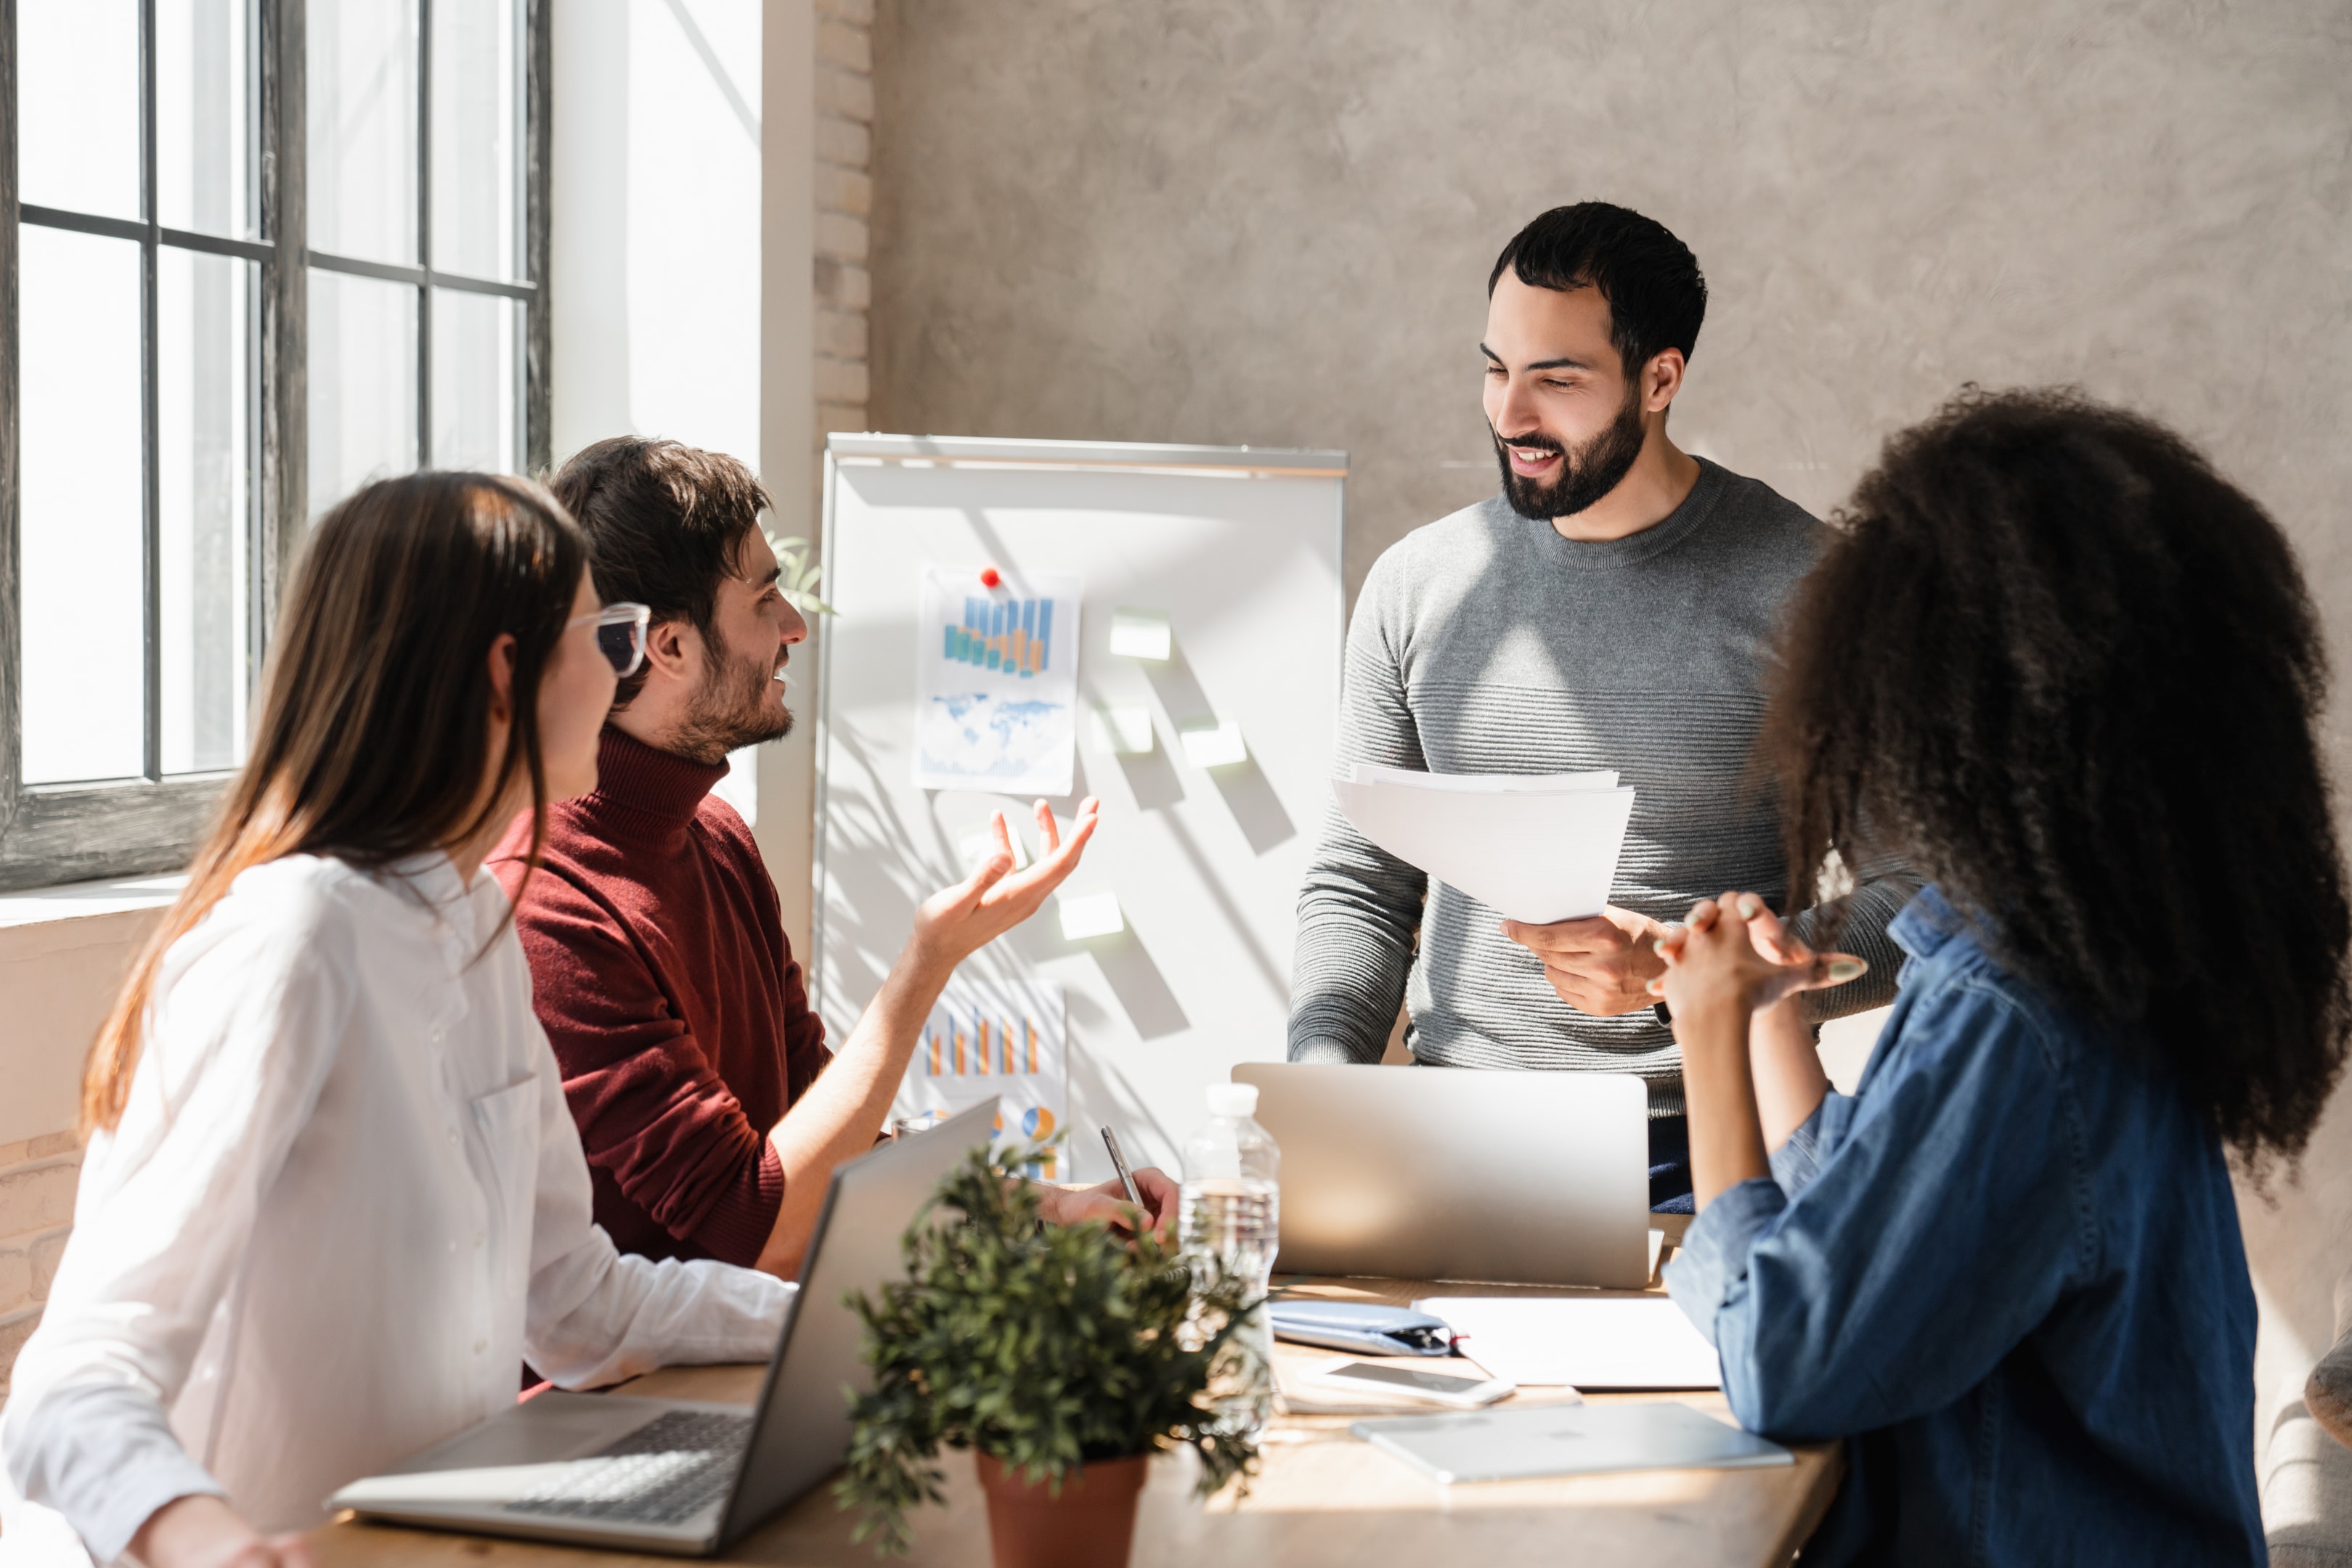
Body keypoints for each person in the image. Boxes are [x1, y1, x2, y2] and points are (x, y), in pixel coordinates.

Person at [0, 474, 794, 1564]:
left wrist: (839, 1323)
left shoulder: (477, 926)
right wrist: (219, 1548)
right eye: (603, 638)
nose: (622, 671)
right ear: (504, 675)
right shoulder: (296, 943)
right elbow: (71, 1380)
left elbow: (579, 1305)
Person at [1655, 389, 2347, 1562]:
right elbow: (1873, 1221)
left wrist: (1701, 1035)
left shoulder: (2019, 1012)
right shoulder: (2060, 967)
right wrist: (1773, 1018)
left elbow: (1783, 1359)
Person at [1287, 201, 1909, 1210]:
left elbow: (1911, 900)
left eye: (1556, 379)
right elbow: (1362, 882)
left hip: (1716, 1150)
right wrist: (1319, 1089)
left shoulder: (1809, 589)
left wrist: (1679, 976)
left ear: (1659, 379)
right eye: (1495, 369)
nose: (1508, 415)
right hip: (1442, 1142)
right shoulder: (1417, 587)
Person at [489, 438, 1170, 1285]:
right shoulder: (547, 907)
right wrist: (926, 963)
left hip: (752, 1369)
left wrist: (1045, 1207)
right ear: (666, 647)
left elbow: (825, 1136)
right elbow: (762, 1225)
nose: (795, 626)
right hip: (633, 1405)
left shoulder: (720, 842)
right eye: (765, 597)